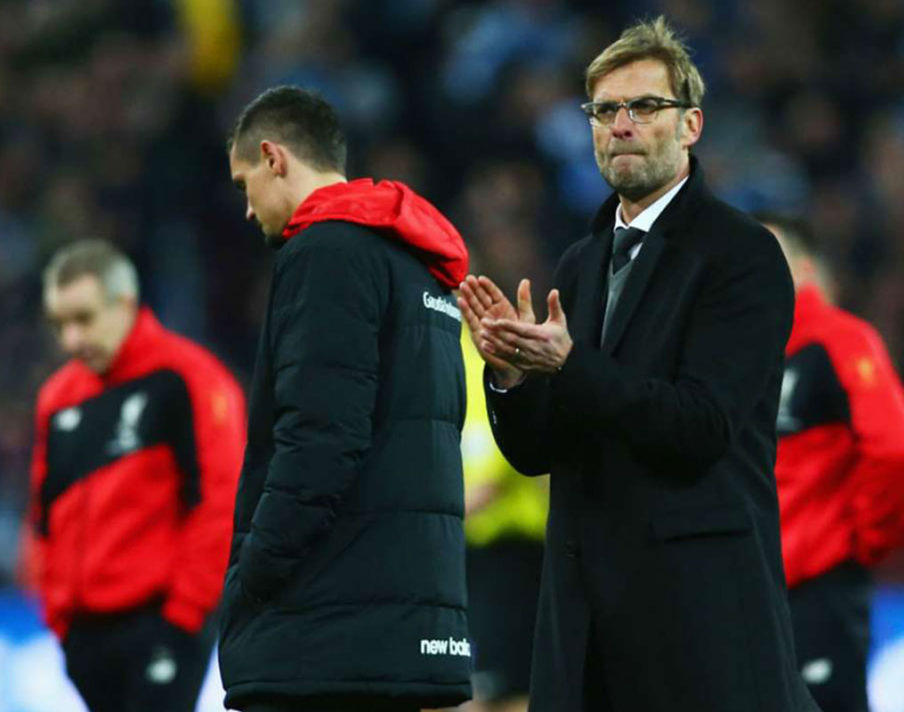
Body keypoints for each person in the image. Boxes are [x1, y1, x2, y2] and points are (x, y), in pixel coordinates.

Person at [458, 17, 818, 712]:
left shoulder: (741, 255)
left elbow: (700, 426)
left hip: (694, 619)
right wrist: (511, 375)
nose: (621, 125)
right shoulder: (581, 262)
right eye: (604, 111)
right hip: (583, 623)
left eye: (645, 106)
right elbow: (540, 453)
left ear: (691, 125)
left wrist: (570, 365)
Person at [220, 85, 472, 712]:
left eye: (244, 184)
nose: (246, 210)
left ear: (274, 157)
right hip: (407, 612)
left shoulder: (326, 250)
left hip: (328, 625)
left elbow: (320, 437)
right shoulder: (420, 262)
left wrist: (254, 572)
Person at [27, 239, 246, 712]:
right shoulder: (57, 398)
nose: (71, 340)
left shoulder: (188, 378)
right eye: (60, 324)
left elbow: (221, 503)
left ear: (124, 304)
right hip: (84, 635)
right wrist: (60, 619)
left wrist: (183, 617)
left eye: (83, 319)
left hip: (162, 623)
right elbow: (44, 517)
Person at [759, 213, 904, 712]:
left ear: (805, 269)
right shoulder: (729, 352)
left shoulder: (838, 340)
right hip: (744, 591)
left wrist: (865, 540)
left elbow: (896, 450)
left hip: (816, 589)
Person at [461, 320, 548, 712]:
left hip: (511, 549)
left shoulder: (485, 349)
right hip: (474, 548)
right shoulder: (446, 348)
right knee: (483, 685)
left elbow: (506, 442)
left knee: (505, 687)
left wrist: (456, 507)